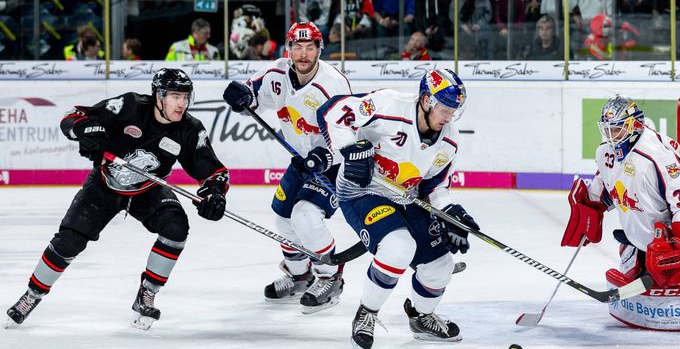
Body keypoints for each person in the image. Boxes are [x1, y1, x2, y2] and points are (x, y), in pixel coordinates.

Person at [6, 69, 229, 330]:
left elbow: (212, 170)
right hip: (104, 185)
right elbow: (73, 119)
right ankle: (32, 295)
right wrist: (85, 132)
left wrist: (214, 193)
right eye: (175, 96)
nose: (182, 103)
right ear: (158, 95)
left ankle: (148, 293)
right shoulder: (129, 106)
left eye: (185, 97)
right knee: (68, 241)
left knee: (176, 228)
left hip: (148, 189)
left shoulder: (189, 129)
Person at [317, 69, 477, 349]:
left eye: (454, 110)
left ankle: (421, 316)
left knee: (440, 266)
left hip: (406, 196)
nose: (449, 116)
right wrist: (349, 149)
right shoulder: (388, 105)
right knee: (398, 247)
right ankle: (366, 313)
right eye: (444, 108)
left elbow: (434, 186)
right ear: (426, 100)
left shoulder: (450, 140)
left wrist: (452, 213)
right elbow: (331, 112)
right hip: (361, 191)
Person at [222, 21, 353, 314]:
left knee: (305, 215)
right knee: (283, 219)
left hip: (332, 163)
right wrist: (240, 95)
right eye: (298, 47)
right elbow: (251, 91)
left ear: (320, 49)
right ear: (288, 49)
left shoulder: (333, 84)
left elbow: (348, 134)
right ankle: (300, 275)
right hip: (301, 159)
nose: (304, 54)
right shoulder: (277, 73)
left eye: (310, 47)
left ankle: (330, 276)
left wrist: (325, 157)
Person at [561, 95, 680, 331]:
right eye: (607, 130)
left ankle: (662, 267)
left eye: (616, 130)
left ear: (634, 126)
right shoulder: (606, 152)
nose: (610, 136)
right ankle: (634, 251)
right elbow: (611, 184)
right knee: (646, 287)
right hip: (648, 239)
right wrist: (592, 206)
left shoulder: (658, 157)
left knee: (667, 294)